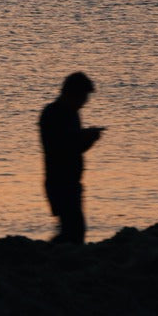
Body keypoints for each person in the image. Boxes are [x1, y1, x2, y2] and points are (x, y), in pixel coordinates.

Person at [38, 71, 104, 244]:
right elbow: (61, 146)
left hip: (71, 182)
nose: (85, 102)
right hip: (59, 182)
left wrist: (89, 139)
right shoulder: (53, 113)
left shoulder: (71, 113)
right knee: (73, 231)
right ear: (72, 93)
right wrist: (85, 137)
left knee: (73, 230)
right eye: (83, 96)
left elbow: (76, 148)